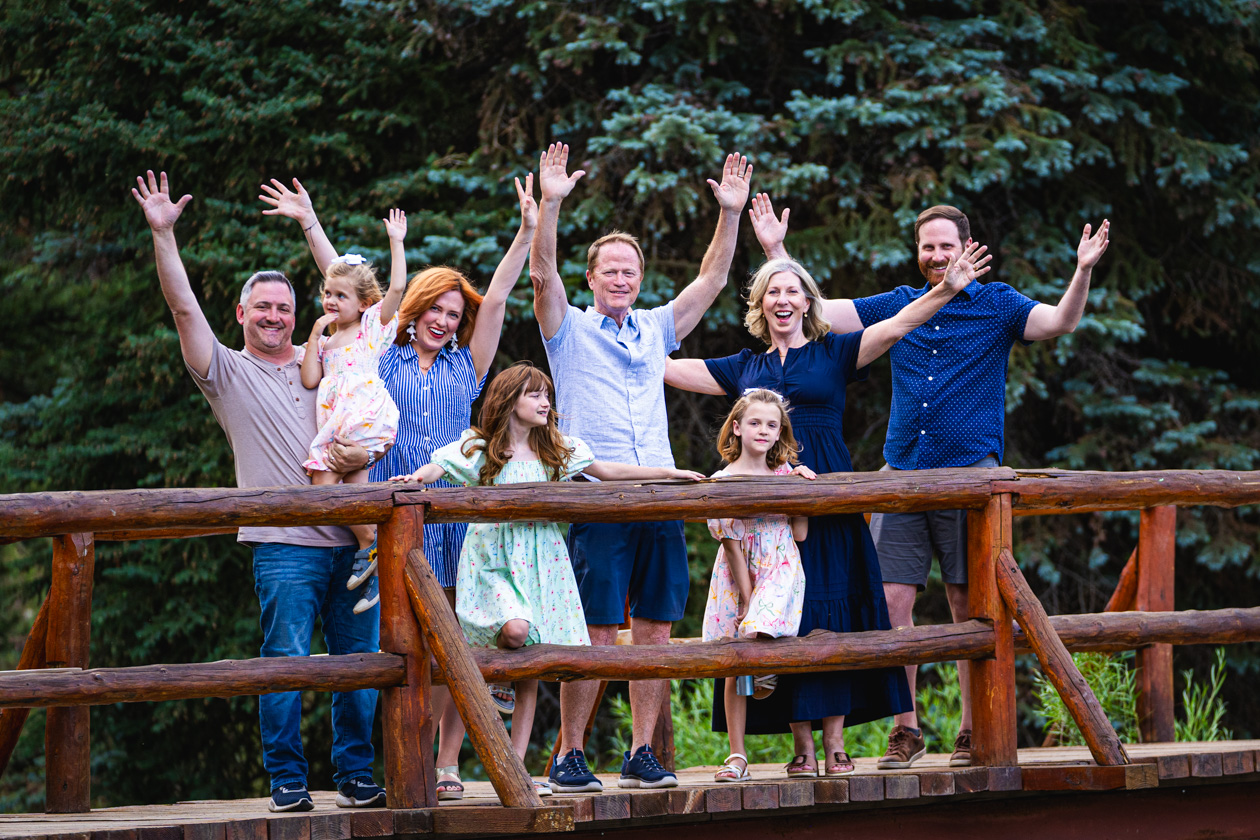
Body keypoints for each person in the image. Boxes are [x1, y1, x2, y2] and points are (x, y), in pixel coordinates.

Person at [748, 196, 1110, 768]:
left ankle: (971, 731)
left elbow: (1060, 322)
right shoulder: (900, 303)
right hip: (902, 473)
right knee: (892, 603)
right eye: (927, 246)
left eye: (946, 245)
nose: (936, 255)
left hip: (970, 474)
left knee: (972, 607)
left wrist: (1083, 270)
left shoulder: (998, 305)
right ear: (918, 253)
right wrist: (775, 249)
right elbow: (812, 309)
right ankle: (907, 730)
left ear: (966, 246)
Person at [261, 174, 537, 801]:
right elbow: (347, 286)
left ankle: (444, 765)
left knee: (451, 638)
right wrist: (310, 223)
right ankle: (389, 769)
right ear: (414, 314)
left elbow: (495, 301)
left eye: (452, 314)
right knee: (395, 645)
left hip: (446, 515)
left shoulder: (469, 364)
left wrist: (525, 230)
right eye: (435, 310)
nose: (444, 320)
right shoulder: (380, 349)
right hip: (388, 509)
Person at [664, 244, 985, 777]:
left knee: (831, 613)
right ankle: (802, 747)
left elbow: (900, 324)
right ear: (760, 305)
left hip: (831, 499)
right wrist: (611, 331)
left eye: (792, 290)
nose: (782, 299)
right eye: (773, 291)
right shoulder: (745, 365)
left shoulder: (836, 351)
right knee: (790, 616)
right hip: (768, 517)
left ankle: (835, 742)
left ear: (808, 302)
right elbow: (669, 369)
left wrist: (946, 290)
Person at [133, 170, 385, 812]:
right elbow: (183, 307)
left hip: (357, 540)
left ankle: (356, 774)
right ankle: (288, 781)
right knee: (285, 663)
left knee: (360, 669)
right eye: (263, 308)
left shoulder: (325, 358)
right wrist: (164, 235)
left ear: (300, 316)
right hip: (284, 544)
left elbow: (358, 294)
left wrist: (309, 222)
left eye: (285, 308)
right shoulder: (225, 371)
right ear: (242, 314)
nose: (275, 316)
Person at [530, 142, 752, 792]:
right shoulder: (566, 328)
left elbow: (712, 279)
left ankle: (641, 752)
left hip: (659, 496)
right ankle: (570, 754)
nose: (621, 279)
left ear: (640, 277)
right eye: (610, 272)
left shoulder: (656, 328)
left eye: (630, 271)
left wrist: (730, 213)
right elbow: (543, 273)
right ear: (592, 278)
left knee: (655, 628)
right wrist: (551, 202)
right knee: (597, 630)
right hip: (596, 500)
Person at [391, 362, 703, 796]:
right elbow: (437, 467)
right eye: (535, 394)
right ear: (509, 399)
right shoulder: (480, 448)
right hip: (494, 561)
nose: (545, 403)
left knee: (533, 659)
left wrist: (667, 474)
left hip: (541, 565)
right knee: (514, 632)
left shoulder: (555, 450)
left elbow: (607, 471)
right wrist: (414, 481)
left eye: (548, 396)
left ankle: (515, 769)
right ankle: (464, 737)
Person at [299, 210, 409, 614]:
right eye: (328, 293)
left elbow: (397, 287)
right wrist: (313, 334)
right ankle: (371, 570)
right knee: (357, 494)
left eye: (340, 296)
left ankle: (370, 542)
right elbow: (311, 378)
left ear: (363, 303)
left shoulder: (370, 329)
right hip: (339, 416)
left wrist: (396, 240)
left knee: (322, 488)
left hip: (360, 415)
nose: (331, 301)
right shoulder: (327, 342)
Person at [703, 389, 814, 783]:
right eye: (754, 422)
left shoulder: (785, 475)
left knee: (759, 628)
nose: (763, 430)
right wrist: (746, 598)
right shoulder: (723, 479)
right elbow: (731, 544)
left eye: (772, 424)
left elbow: (799, 533)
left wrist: (800, 489)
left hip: (780, 563)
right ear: (736, 427)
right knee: (736, 658)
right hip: (739, 570)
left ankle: (764, 666)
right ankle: (737, 754)